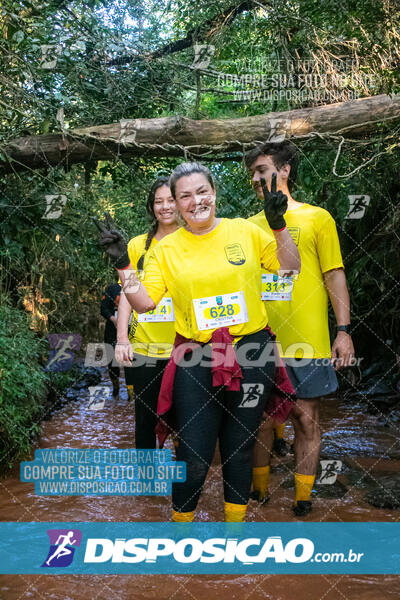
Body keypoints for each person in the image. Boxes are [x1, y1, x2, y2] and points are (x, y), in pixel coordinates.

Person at [112, 161, 300, 522]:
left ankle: (234, 536)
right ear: (176, 203)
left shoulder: (244, 231)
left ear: (214, 192)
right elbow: (145, 302)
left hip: (252, 351)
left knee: (240, 447)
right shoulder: (166, 250)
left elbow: (290, 269)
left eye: (201, 192)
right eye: (185, 196)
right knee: (194, 450)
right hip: (194, 357)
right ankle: (181, 536)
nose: (195, 201)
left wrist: (278, 226)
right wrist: (124, 266)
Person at [246, 140, 354, 516]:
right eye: (252, 175)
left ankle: (303, 499)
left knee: (306, 420)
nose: (256, 180)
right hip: (259, 341)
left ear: (285, 170)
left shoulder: (317, 218)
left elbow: (334, 275)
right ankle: (259, 492)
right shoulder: (245, 228)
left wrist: (343, 330)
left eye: (262, 170)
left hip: (308, 341)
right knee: (259, 421)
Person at [116, 176, 179, 448]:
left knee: (187, 419)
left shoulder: (196, 241)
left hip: (187, 346)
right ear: (151, 206)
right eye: (158, 201)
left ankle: (183, 484)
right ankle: (146, 486)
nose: (165, 207)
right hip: (146, 347)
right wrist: (122, 339)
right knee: (144, 419)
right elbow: (128, 294)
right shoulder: (137, 246)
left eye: (171, 200)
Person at [100, 280, 133, 400]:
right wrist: (113, 319)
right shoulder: (112, 289)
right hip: (112, 330)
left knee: (131, 360)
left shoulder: (138, 287)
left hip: (133, 330)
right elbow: (103, 309)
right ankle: (116, 389)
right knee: (112, 360)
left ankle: (131, 393)